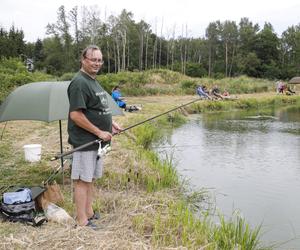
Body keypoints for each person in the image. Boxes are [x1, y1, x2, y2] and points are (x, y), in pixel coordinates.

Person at [67, 45, 122, 229]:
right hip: (85, 141)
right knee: (82, 180)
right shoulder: (79, 82)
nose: (97, 63)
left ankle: (89, 212)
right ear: (83, 60)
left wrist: (110, 124)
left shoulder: (93, 81)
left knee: (90, 178)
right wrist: (99, 132)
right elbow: (75, 115)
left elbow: (98, 109)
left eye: (99, 60)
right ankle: (82, 221)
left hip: (97, 143)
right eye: (93, 59)